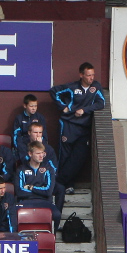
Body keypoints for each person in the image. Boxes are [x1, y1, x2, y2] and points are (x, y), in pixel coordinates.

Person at [50, 62, 106, 192]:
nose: (91, 78)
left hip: (84, 127)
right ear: (81, 75)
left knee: (79, 157)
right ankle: (66, 185)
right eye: (88, 75)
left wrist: (84, 110)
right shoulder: (72, 87)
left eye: (93, 75)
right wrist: (63, 107)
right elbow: (54, 92)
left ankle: (59, 182)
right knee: (64, 155)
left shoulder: (96, 87)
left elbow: (101, 103)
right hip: (68, 124)